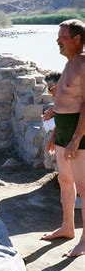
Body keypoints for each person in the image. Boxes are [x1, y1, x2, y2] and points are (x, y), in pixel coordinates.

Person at [43, 19, 85, 257]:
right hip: (63, 135)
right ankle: (67, 228)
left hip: (80, 139)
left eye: (63, 37)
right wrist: (56, 134)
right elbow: (66, 102)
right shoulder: (69, 64)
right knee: (65, 183)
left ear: (77, 39)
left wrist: (76, 139)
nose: (58, 41)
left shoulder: (83, 64)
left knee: (83, 188)